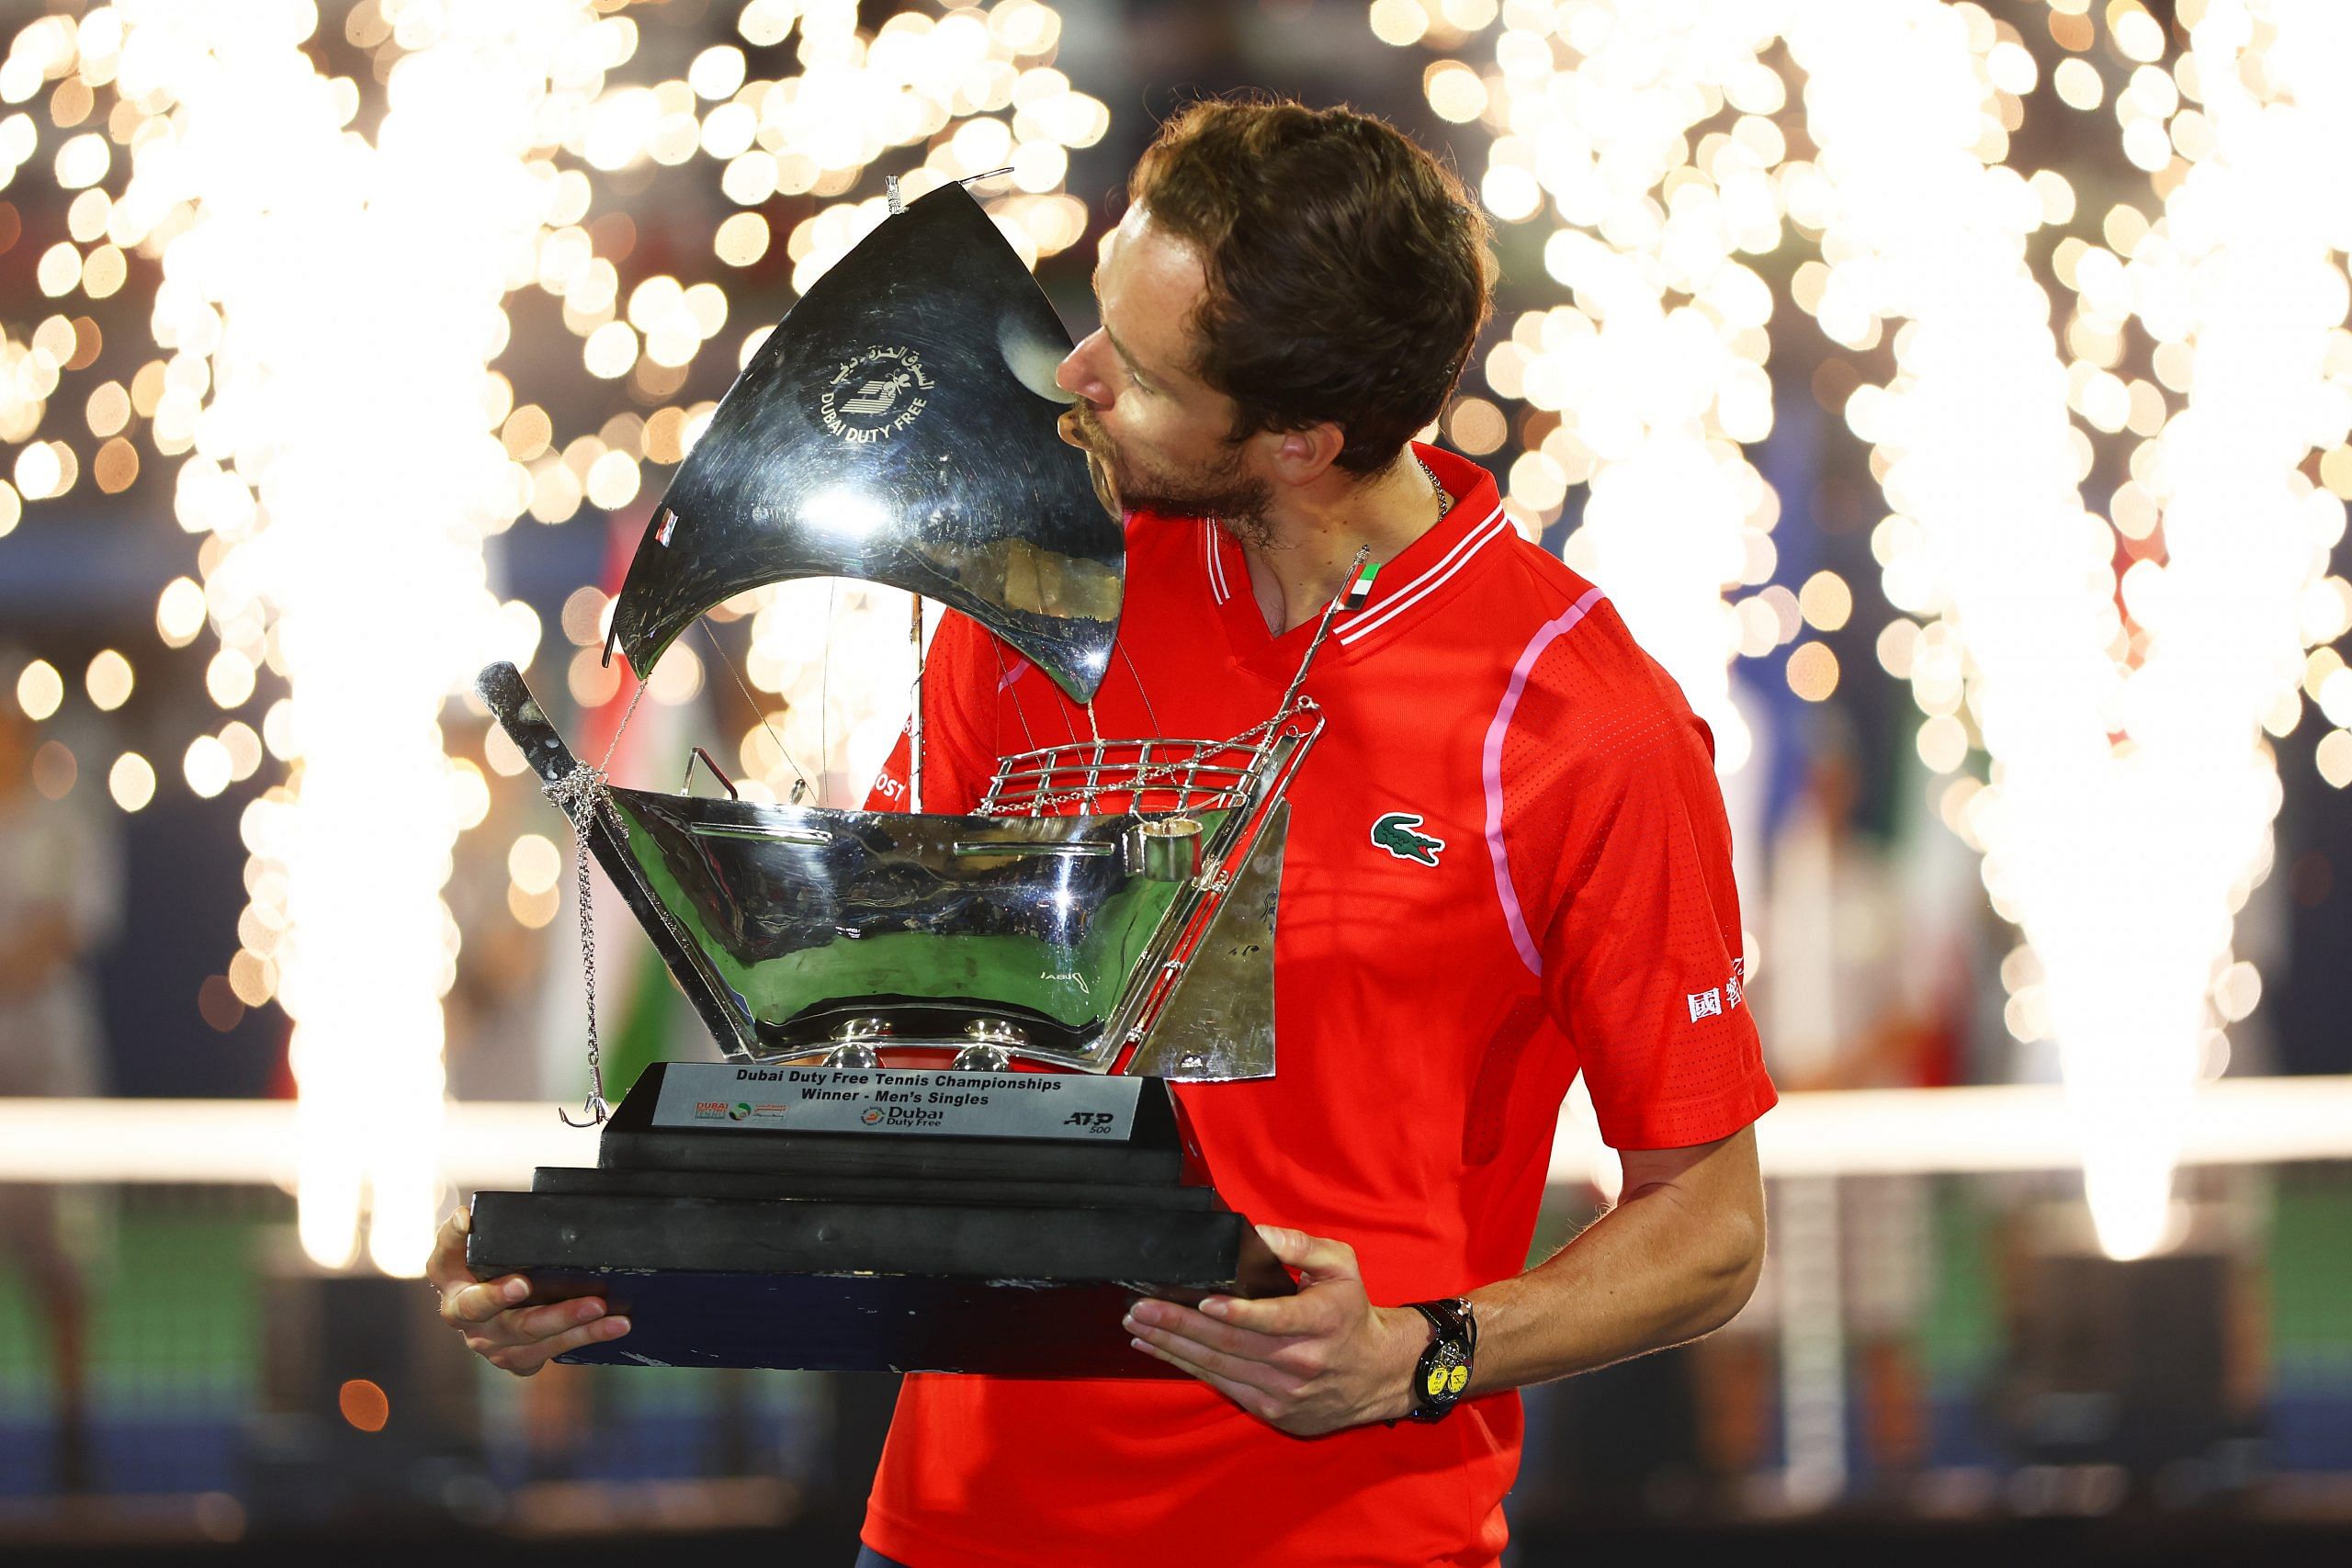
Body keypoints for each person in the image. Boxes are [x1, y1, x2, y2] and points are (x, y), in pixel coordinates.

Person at [431, 98, 1775, 1566]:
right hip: (947, 1533)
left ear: (1299, 443)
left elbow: (1707, 1228)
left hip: (1349, 1547)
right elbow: (872, 1043)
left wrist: (1424, 1355)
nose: (1071, 379)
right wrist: (602, 1256)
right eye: (1096, 321)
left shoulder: (1583, 722)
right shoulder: (1033, 604)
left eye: (1133, 375)